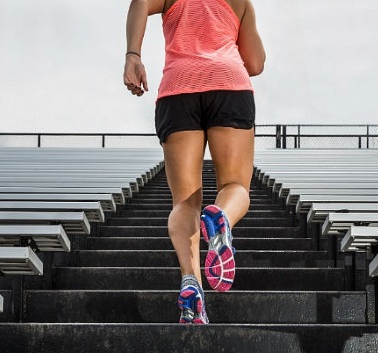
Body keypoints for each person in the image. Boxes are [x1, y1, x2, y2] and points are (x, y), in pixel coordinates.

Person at [124, 0, 265, 324]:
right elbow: (255, 63)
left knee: (185, 201)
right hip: (229, 84)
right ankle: (222, 218)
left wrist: (133, 54)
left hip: (179, 88)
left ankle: (191, 282)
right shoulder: (240, 2)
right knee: (235, 185)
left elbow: (139, 3)